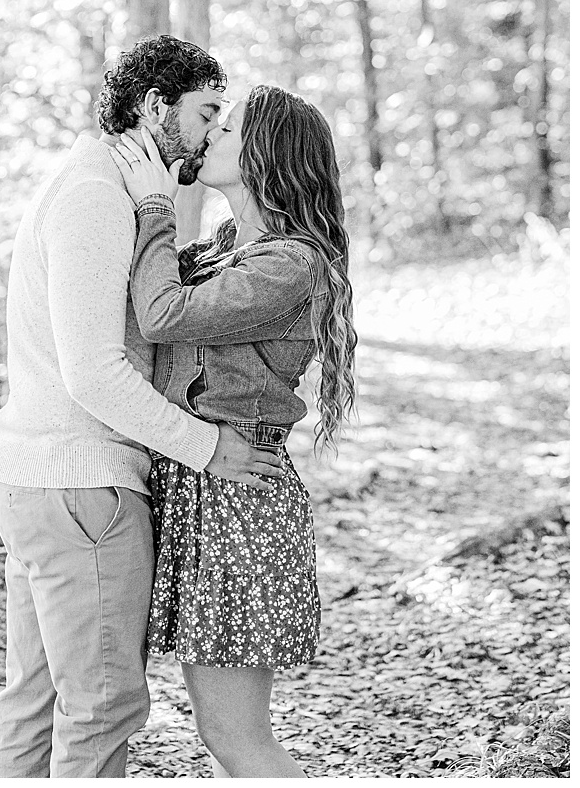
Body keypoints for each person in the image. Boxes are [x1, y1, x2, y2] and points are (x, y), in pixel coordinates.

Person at [0, 35, 285, 778]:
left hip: (47, 476)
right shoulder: (95, 195)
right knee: (104, 704)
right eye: (207, 110)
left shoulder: (103, 187)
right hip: (79, 485)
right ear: (155, 107)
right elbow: (93, 373)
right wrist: (209, 448)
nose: (215, 130)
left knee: (39, 699)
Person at [111, 85, 358, 777]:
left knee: (235, 737)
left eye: (230, 126)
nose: (213, 132)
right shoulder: (228, 245)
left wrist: (156, 201)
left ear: (265, 154)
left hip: (235, 501)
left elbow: (161, 314)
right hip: (200, 488)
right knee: (223, 735)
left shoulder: (292, 263)